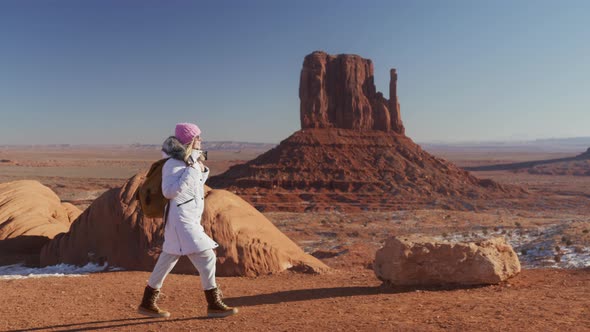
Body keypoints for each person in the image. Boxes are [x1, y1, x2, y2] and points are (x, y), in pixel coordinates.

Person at [138, 122, 238, 318]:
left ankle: (147, 302)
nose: (201, 140)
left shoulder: (186, 162)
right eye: (198, 137)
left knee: (167, 260)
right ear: (191, 140)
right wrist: (192, 169)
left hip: (186, 219)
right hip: (181, 221)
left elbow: (192, 186)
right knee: (207, 256)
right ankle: (213, 303)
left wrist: (198, 168)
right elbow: (169, 191)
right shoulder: (173, 164)